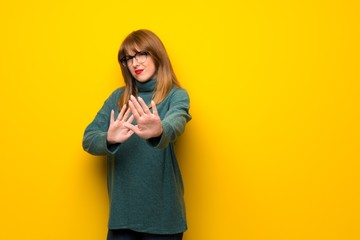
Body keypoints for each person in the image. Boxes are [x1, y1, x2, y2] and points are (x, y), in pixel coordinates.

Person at [82, 29, 191, 240]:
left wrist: (159, 130)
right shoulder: (119, 98)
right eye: (128, 58)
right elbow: (88, 138)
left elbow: (177, 122)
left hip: (164, 221)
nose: (135, 63)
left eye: (141, 54)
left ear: (157, 54)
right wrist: (108, 139)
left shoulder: (175, 96)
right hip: (122, 218)